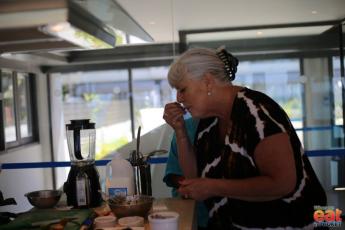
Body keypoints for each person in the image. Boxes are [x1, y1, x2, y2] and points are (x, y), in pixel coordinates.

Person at [162, 47, 327, 229]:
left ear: (208, 82)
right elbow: (194, 178)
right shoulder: (208, 123)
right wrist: (180, 132)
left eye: (182, 89)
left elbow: (282, 183)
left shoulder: (256, 111)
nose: (178, 98)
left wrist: (213, 187)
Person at [163, 116, 209, 229]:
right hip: (189, 214)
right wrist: (191, 186)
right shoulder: (185, 126)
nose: (180, 98)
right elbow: (173, 174)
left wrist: (210, 187)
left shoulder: (237, 126)